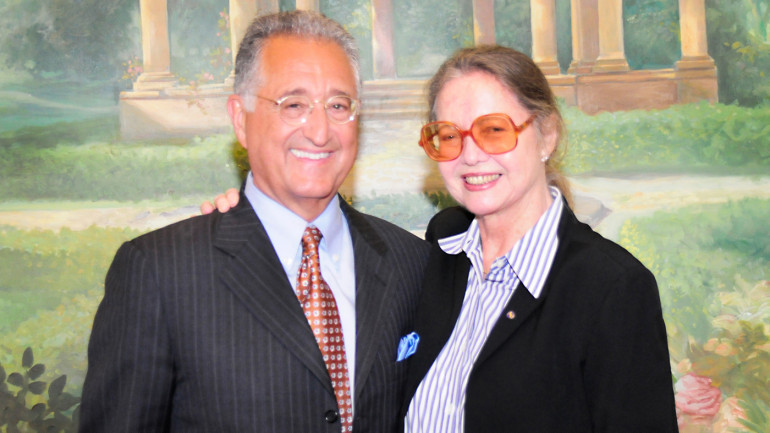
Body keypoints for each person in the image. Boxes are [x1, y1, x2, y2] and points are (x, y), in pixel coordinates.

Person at [79, 10, 428, 433]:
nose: (320, 131)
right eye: (293, 105)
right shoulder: (160, 272)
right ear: (240, 118)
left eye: (338, 105)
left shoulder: (412, 263)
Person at [400, 45, 678, 432]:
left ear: (546, 134)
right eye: (449, 135)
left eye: (493, 130)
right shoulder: (440, 250)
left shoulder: (611, 288)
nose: (470, 156)